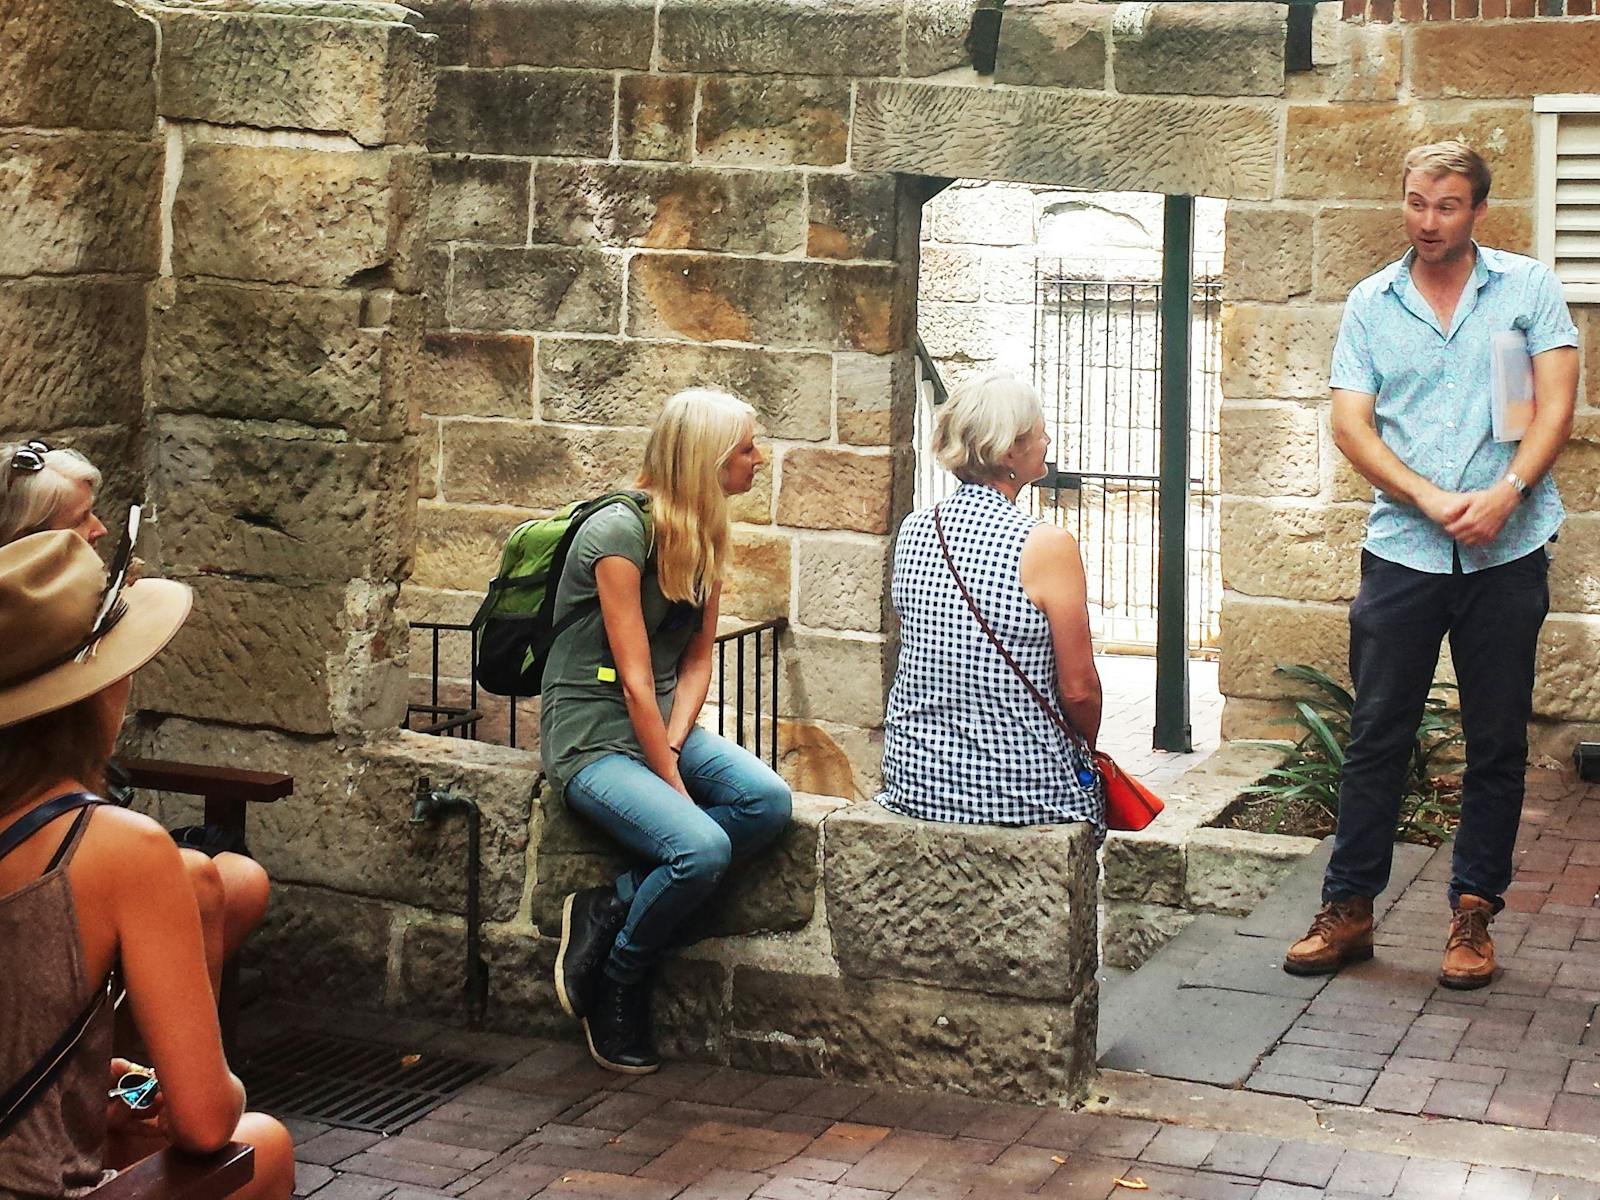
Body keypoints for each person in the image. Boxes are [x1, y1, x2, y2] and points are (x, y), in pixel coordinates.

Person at [1283, 141, 1580, 989]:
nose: (1428, 221)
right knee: (1377, 733)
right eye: (1416, 202)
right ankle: (1348, 910)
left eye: (1447, 206)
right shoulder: (1371, 303)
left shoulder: (1527, 290)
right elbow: (1352, 425)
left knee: (1496, 740)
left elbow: (1557, 406)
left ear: (1479, 210)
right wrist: (1426, 496)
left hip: (1507, 549)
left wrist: (1507, 494)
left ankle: (1473, 915)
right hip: (1404, 550)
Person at [0, 530, 293, 1200]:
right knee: (264, 1143)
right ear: (97, 689)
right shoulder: (118, 847)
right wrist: (210, 1088)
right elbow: (204, 1121)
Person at [543, 388, 792, 1075]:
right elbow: (630, 679)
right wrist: (672, 782)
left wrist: (674, 748)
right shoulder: (617, 533)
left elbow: (696, 661)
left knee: (768, 802)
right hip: (590, 735)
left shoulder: (705, 533)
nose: (759, 458)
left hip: (656, 722)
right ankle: (619, 981)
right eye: (746, 447)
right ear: (708, 458)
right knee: (701, 847)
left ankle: (609, 905)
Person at [0, 440, 271, 995]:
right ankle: (126, 1037)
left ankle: (119, 1031)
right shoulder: (38, 659)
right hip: (41, 856)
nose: (99, 530)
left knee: (237, 879)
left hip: (73, 833)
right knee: (195, 879)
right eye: (81, 520)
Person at [877, 371, 1104, 834]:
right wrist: (1088, 746)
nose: (1047, 440)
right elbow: (1079, 690)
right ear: (1007, 453)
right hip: (1019, 789)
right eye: (1038, 432)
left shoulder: (915, 529)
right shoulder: (1046, 545)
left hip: (915, 779)